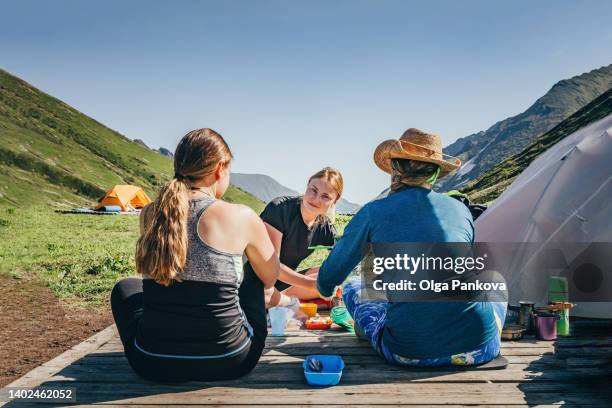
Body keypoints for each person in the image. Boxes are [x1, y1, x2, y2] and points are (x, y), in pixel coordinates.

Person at [317, 128, 506, 367]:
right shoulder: (460, 209)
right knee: (493, 278)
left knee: (355, 288)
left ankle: (369, 330)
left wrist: (325, 289)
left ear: (395, 169)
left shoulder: (374, 212)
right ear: (435, 173)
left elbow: (329, 277)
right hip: (481, 348)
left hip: (410, 352)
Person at [110, 128, 280, 383]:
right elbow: (270, 277)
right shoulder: (241, 215)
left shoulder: (150, 213)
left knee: (125, 288)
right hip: (231, 360)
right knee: (253, 275)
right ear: (220, 168)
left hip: (151, 361)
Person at [247, 167, 342, 308]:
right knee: (262, 295)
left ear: (334, 201)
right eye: (313, 190)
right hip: (257, 282)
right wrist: (312, 285)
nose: (316, 199)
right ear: (307, 185)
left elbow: (339, 263)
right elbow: (272, 267)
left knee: (331, 276)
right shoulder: (280, 209)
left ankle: (288, 302)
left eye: (325, 196)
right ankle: (290, 304)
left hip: (284, 283)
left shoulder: (324, 227)